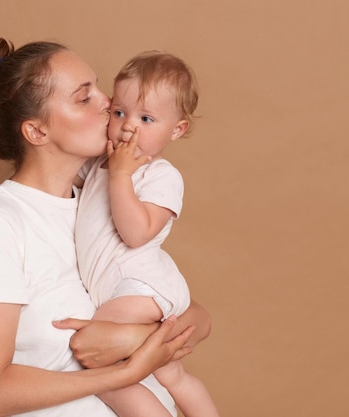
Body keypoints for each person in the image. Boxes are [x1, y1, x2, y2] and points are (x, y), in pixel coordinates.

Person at [0, 34, 212, 417]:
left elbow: (195, 317)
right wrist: (127, 369)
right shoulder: (0, 222)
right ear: (37, 131)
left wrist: (135, 337)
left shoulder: (99, 196)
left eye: (99, 88)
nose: (108, 103)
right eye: (83, 97)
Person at [75, 51, 220, 417]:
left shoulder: (161, 176)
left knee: (101, 364)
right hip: (118, 285)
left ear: (177, 129)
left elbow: (136, 233)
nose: (129, 127)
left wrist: (120, 176)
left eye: (147, 118)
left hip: (142, 285)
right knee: (172, 375)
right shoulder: (100, 166)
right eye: (120, 112)